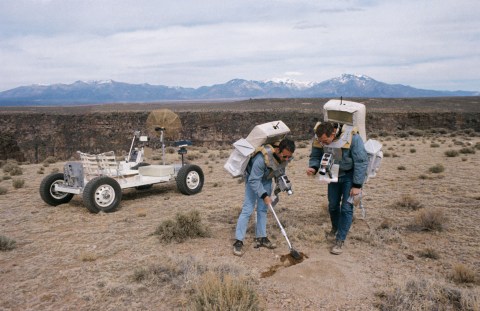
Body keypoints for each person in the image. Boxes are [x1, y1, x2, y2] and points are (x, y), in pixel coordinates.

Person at [306, 122, 368, 255]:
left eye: (326, 141)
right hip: (333, 174)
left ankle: (340, 239)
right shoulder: (319, 139)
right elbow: (316, 155)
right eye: (321, 141)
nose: (324, 144)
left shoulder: (353, 138)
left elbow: (361, 161)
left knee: (346, 207)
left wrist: (357, 185)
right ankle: (335, 227)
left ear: (333, 134)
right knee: (333, 205)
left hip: (349, 176)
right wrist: (314, 167)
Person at [233, 138, 296, 256]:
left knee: (263, 209)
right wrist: (264, 195)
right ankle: (238, 241)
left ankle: (261, 237)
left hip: (266, 180)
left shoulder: (284, 159)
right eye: (285, 156)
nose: (287, 159)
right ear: (278, 150)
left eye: (289, 157)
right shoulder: (261, 159)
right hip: (253, 178)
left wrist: (281, 184)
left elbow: (279, 171)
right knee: (248, 208)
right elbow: (253, 180)